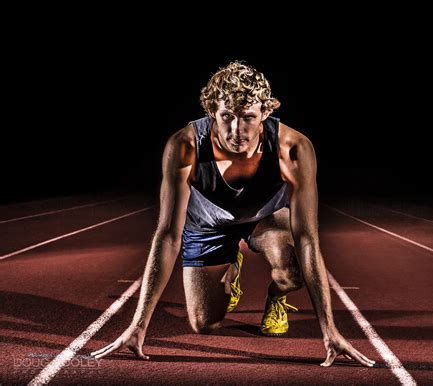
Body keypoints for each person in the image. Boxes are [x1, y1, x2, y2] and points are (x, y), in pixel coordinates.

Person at [91, 61, 375, 368]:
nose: (236, 131)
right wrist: (138, 325)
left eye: (248, 118)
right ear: (212, 110)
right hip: (208, 224)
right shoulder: (185, 145)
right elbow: (169, 234)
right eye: (226, 116)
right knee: (203, 323)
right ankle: (231, 264)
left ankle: (276, 297)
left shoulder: (293, 149)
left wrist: (329, 330)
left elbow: (308, 239)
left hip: (264, 219)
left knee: (292, 270)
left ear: (266, 113)